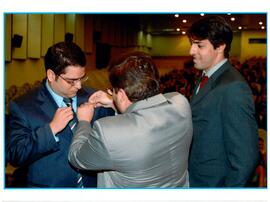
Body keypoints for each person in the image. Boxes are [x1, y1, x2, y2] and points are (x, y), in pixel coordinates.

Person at [68, 51, 193, 188]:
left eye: (113, 92)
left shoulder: (107, 132)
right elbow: (151, 109)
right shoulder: (181, 104)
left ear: (121, 94)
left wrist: (84, 121)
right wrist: (114, 103)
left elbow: (77, 157)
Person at [6, 42, 114, 187]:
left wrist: (114, 104)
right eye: (71, 81)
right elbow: (15, 155)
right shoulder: (23, 106)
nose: (79, 86)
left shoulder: (94, 97)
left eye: (82, 78)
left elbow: (121, 135)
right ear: (51, 75)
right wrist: (51, 130)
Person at [187, 15, 259, 187]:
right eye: (192, 43)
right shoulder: (205, 75)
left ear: (220, 47)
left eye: (199, 45)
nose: (191, 51)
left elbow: (245, 158)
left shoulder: (233, 88)